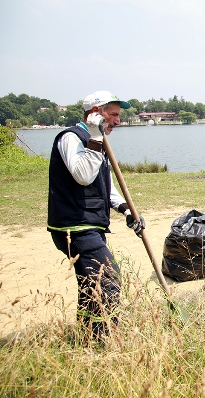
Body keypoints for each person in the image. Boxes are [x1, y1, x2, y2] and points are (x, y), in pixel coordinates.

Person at [47, 90, 145, 342]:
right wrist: (93, 138)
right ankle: (103, 340)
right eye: (113, 115)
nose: (118, 121)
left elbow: (106, 187)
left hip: (89, 226)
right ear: (94, 114)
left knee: (91, 285)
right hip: (75, 228)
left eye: (118, 116)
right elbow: (83, 175)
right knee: (108, 281)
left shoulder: (98, 142)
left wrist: (126, 211)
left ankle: (87, 338)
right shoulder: (72, 138)